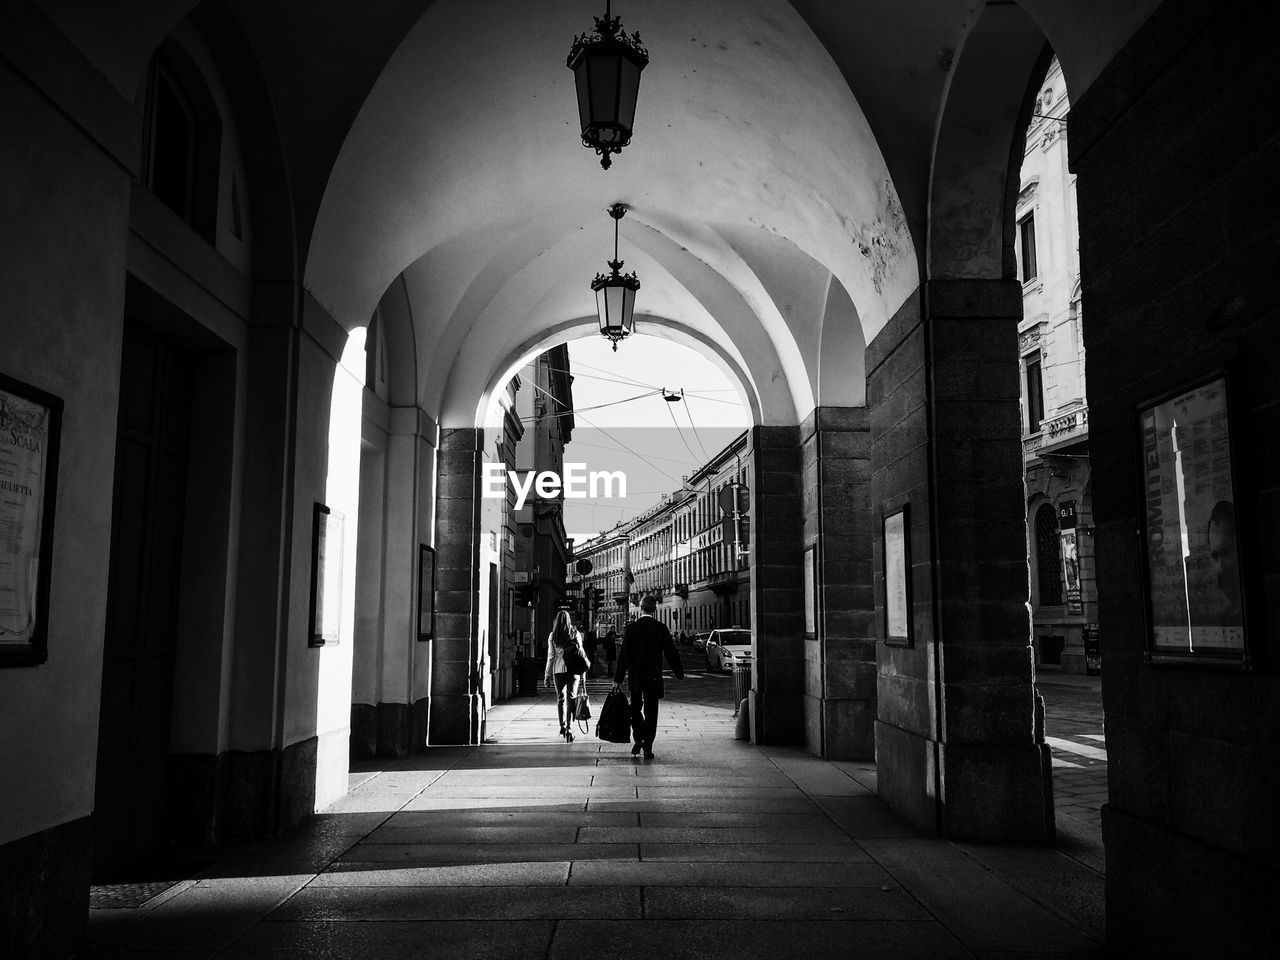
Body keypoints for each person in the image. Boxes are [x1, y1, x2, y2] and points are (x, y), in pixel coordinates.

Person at [613, 595, 684, 759]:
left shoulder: (631, 629)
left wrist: (618, 679)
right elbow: (671, 652)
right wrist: (678, 671)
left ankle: (638, 737)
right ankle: (648, 746)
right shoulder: (661, 628)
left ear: (641, 609)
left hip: (636, 676)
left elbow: (623, 656)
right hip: (653, 676)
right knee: (652, 711)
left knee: (635, 708)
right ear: (655, 610)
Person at [544, 610, 588, 742]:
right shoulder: (575, 634)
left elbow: (551, 657)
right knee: (571, 698)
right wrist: (583, 673)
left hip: (558, 671)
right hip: (574, 670)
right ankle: (570, 727)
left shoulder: (553, 635)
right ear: (569, 620)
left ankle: (562, 726)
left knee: (560, 699)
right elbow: (581, 654)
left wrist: (547, 675)